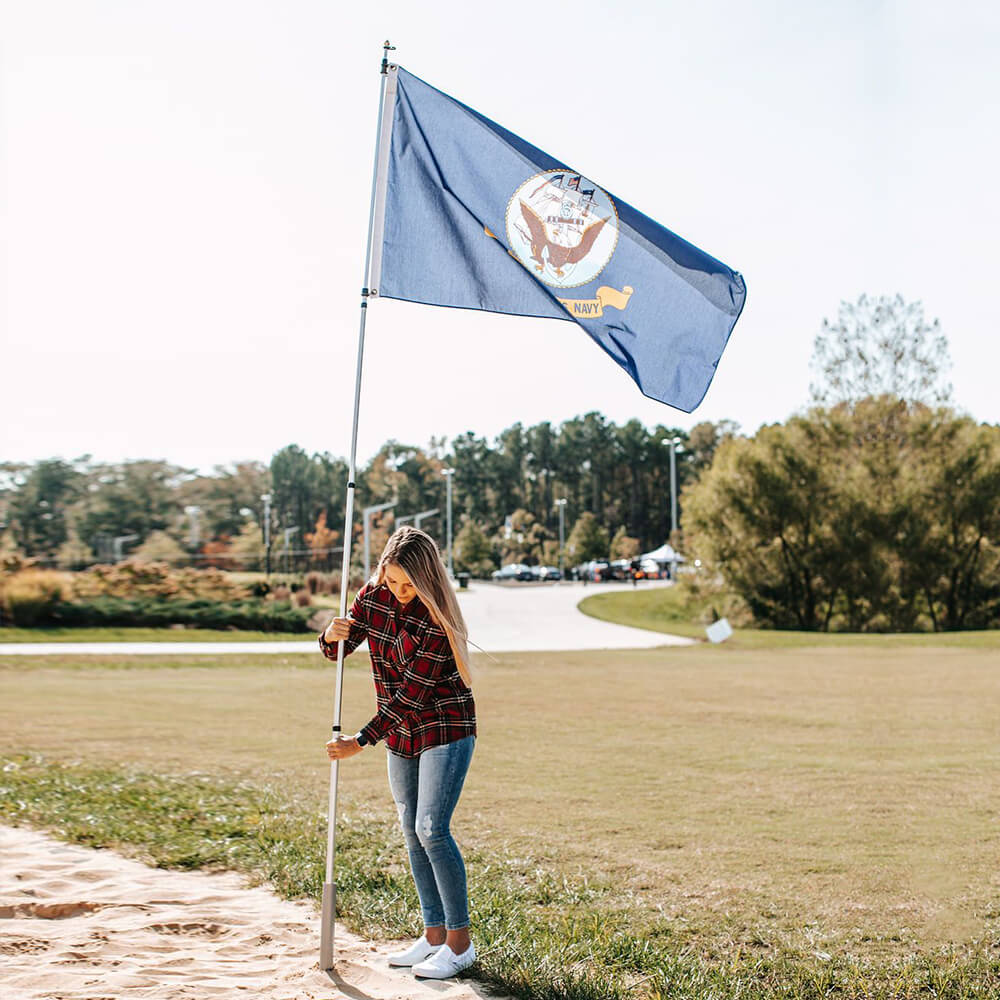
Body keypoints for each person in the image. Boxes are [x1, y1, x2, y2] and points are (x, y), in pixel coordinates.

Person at [319, 526, 477, 980]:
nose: (400, 592)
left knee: (432, 829)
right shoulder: (373, 597)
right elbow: (340, 651)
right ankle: (432, 937)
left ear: (426, 580)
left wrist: (361, 740)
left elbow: (411, 695)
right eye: (392, 583)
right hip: (402, 735)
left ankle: (459, 944)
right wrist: (332, 635)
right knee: (410, 830)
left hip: (444, 726)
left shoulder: (435, 615)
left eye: (409, 585)